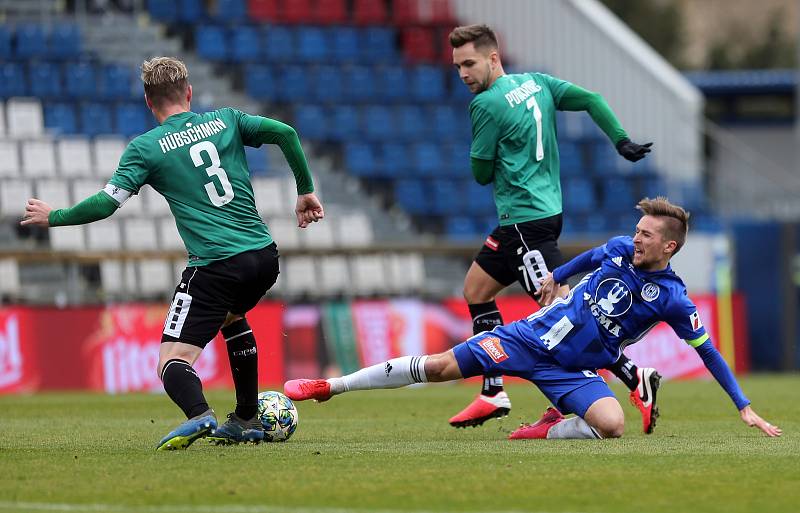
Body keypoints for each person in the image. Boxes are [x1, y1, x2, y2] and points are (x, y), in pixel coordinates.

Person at [284, 197, 782, 440]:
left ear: (669, 246)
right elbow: (582, 262)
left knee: (611, 428)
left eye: (647, 235)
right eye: (637, 229)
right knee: (438, 368)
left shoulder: (673, 299)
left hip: (572, 371)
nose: (637, 238)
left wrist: (743, 405)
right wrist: (552, 279)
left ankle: (547, 426)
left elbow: (708, 351)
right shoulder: (615, 250)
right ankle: (333, 386)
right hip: (527, 338)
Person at [21, 57, 325, 450]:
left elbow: (107, 203)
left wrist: (55, 216)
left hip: (216, 265)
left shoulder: (146, 149)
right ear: (189, 93)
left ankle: (199, 414)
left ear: (149, 101)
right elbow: (285, 131)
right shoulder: (227, 119)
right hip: (265, 257)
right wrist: (304, 191)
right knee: (233, 317)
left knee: (171, 363)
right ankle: (247, 418)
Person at [447, 24, 660, 433]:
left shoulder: (486, 104)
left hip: (524, 221)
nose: (463, 74)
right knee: (476, 289)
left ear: (494, 58)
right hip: (542, 214)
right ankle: (493, 391)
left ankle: (635, 378)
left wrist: (487, 151)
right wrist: (620, 140)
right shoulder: (537, 82)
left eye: (469, 63)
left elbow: (479, 173)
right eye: (457, 66)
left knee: (561, 311)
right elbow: (593, 99)